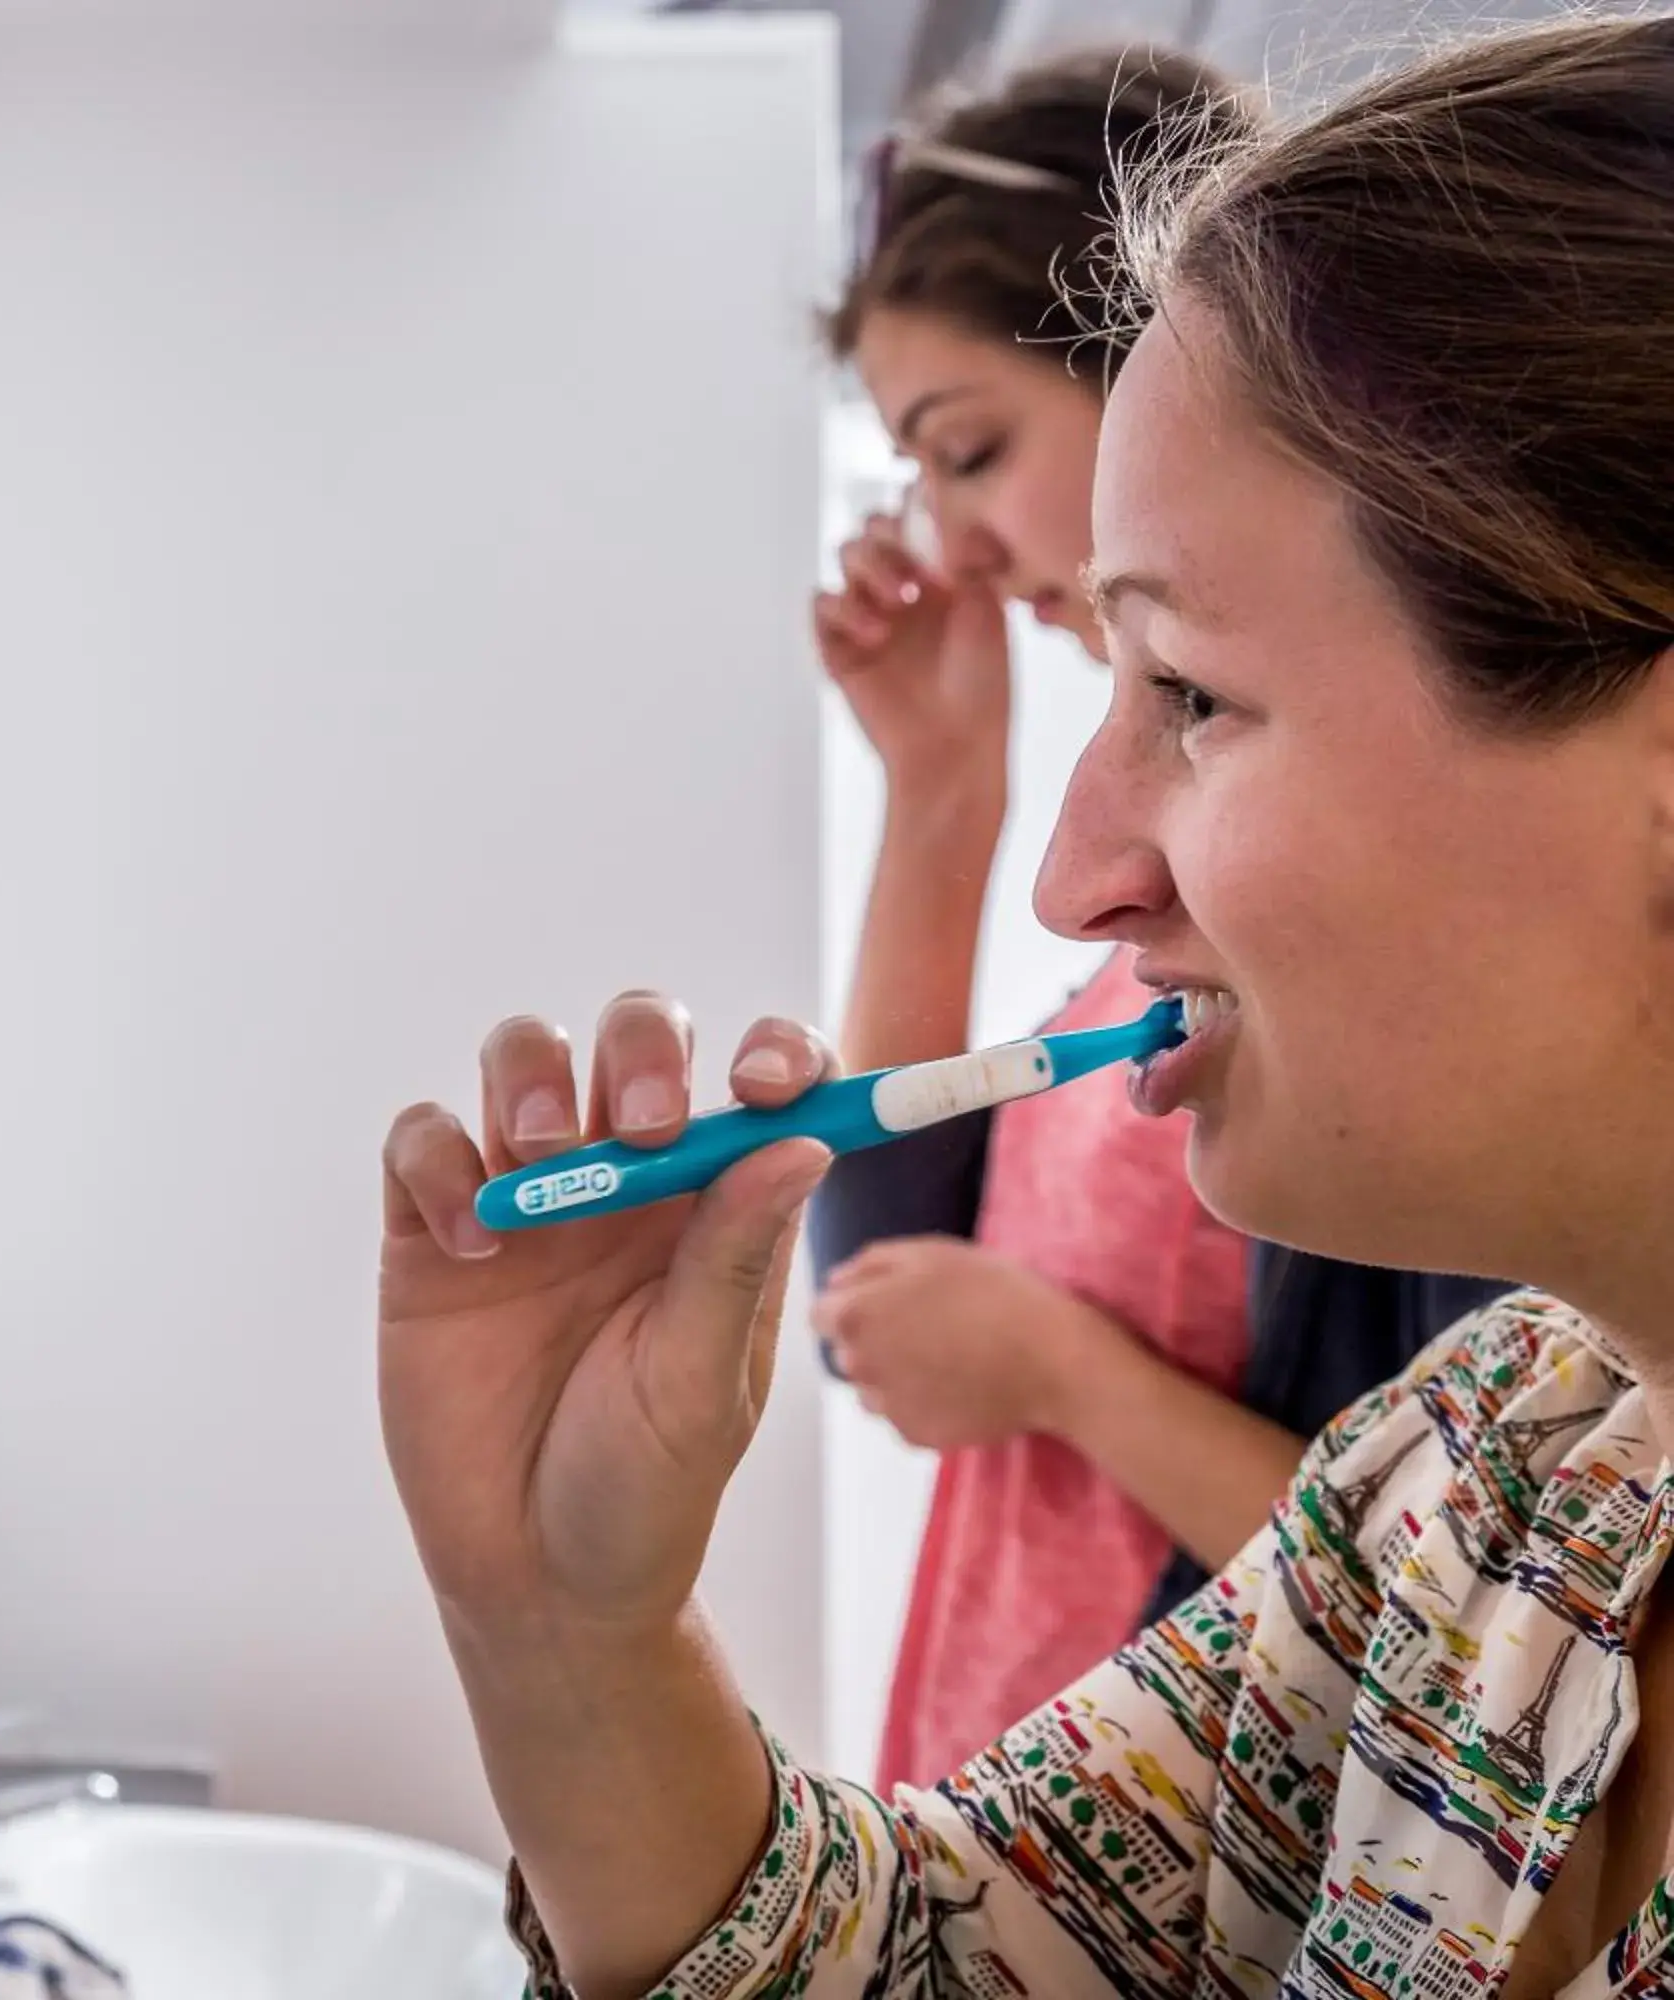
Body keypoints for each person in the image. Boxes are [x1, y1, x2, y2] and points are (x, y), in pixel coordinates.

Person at [376, 16, 1674, 1996]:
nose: (1078, 878)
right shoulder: (1487, 1478)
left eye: (1192, 697)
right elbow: (930, 1957)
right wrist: (560, 1633)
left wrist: (1064, 1374)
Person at [805, 47, 1509, 1796]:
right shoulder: (1157, 922)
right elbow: (887, 1254)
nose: (951, 546)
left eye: (968, 452)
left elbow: (1474, 1605)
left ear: (1153, 369)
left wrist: (1062, 1374)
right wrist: (937, 784)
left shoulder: (1340, 945)